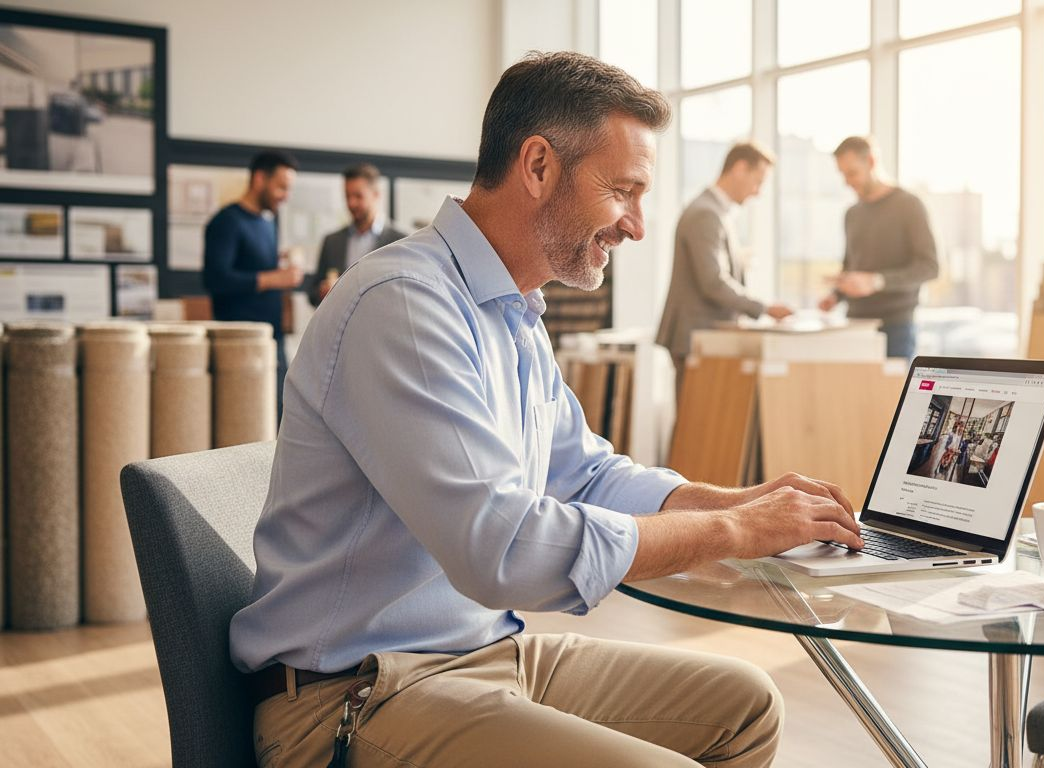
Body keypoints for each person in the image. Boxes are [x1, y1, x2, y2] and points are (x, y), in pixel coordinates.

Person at [229, 52, 863, 768]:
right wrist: (728, 530)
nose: (638, 226)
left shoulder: (511, 313)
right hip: (356, 694)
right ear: (537, 166)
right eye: (624, 191)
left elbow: (584, 473)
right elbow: (502, 548)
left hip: (481, 654)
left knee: (745, 707)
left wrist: (737, 501)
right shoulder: (402, 305)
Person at [656, 141, 792, 396]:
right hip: (696, 337)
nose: (758, 192)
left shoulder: (715, 211)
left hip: (701, 337)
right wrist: (764, 308)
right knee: (696, 425)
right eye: (758, 181)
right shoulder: (706, 214)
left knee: (702, 424)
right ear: (740, 168)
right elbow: (712, 282)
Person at [202, 149, 304, 417]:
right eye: (282, 187)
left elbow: (253, 267)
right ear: (260, 179)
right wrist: (276, 278)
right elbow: (215, 279)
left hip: (272, 339)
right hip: (239, 345)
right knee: (244, 422)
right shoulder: (226, 222)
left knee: (283, 417)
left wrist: (281, 263)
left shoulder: (267, 223)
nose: (286, 196)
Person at [819, 136, 939, 360]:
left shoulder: (909, 205)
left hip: (895, 326)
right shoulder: (852, 214)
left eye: (852, 173)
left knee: (892, 395)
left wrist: (876, 281)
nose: (847, 181)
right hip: (855, 324)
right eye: (842, 174)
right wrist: (836, 295)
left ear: (871, 162)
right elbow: (852, 265)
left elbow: (929, 267)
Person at [308, 162, 408, 306]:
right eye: (347, 196)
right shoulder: (332, 241)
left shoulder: (401, 240)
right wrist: (322, 291)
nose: (351, 203)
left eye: (358, 196)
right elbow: (312, 295)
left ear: (376, 195)